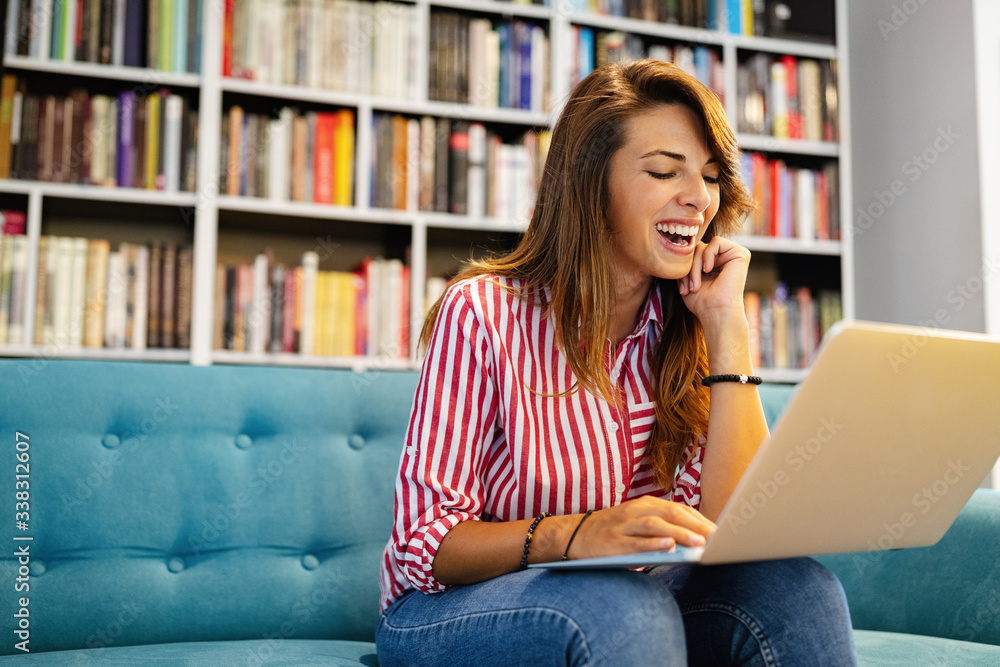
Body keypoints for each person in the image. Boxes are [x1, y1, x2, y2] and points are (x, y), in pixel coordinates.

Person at [375, 59, 857, 666]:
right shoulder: (483, 313)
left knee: (795, 586)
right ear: (589, 184)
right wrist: (577, 535)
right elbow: (427, 542)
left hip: (635, 596)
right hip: (449, 609)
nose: (699, 199)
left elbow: (736, 530)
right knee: (622, 604)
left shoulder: (687, 325)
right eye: (663, 171)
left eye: (709, 178)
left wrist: (728, 330)